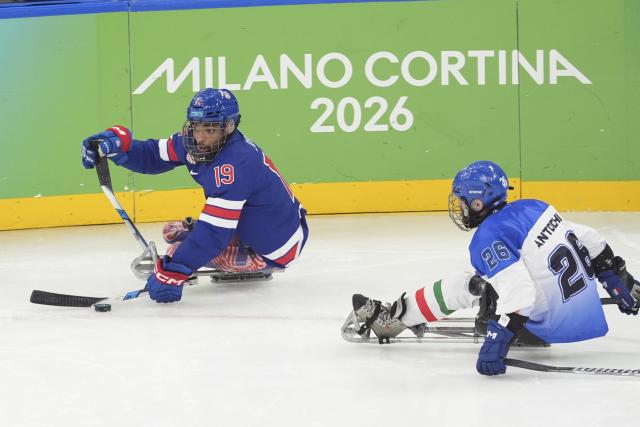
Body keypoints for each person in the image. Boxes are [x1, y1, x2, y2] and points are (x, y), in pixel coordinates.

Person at [351, 160, 639, 376]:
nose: (460, 208)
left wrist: (499, 337)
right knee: (509, 273)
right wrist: (617, 276)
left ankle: (392, 320)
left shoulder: (486, 237)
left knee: (468, 284)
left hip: (550, 325)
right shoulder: (534, 205)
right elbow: (589, 239)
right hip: (581, 307)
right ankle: (517, 322)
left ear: (479, 201)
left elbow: (521, 291)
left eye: (464, 201)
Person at [81, 88, 308, 303]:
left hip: (277, 246)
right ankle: (225, 236)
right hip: (263, 224)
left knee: (174, 251)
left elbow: (213, 234)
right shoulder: (192, 141)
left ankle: (251, 253)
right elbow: (152, 156)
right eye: (197, 127)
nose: (199, 137)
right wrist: (118, 148)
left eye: (209, 130)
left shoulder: (236, 163)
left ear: (228, 127)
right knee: (171, 231)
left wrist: (174, 270)